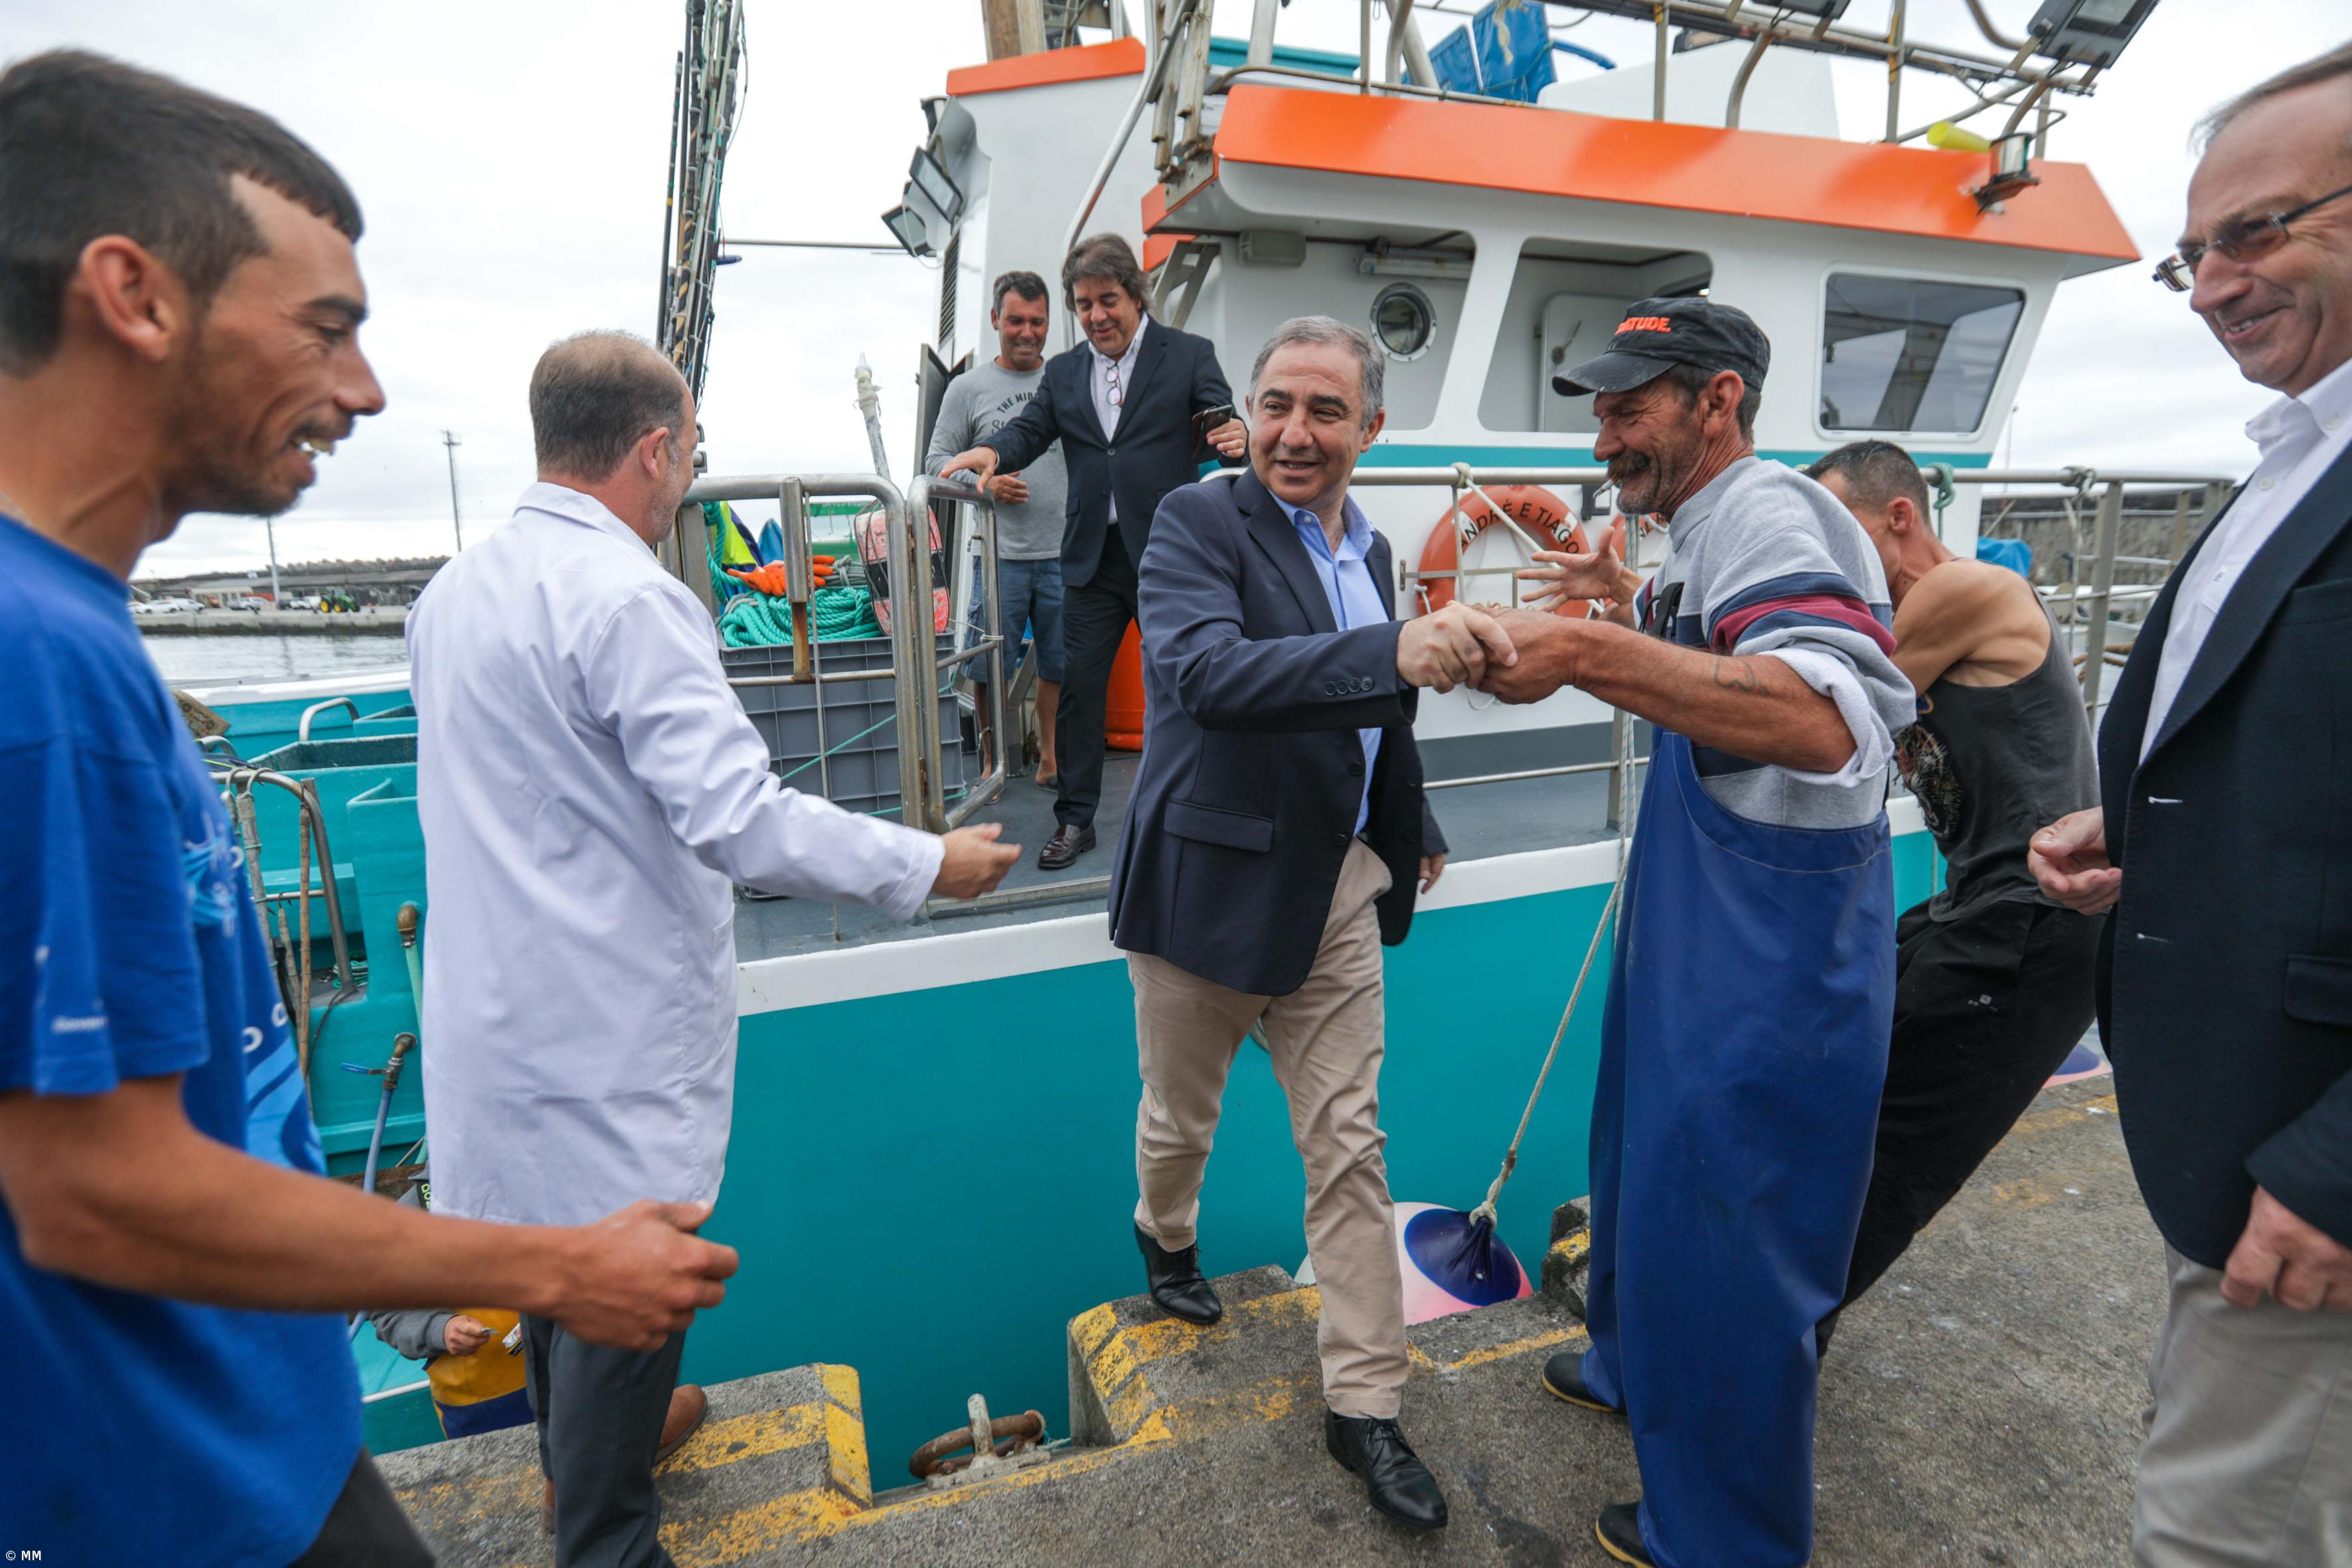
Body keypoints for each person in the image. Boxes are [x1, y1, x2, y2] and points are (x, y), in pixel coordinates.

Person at [0, 52, 740, 1568]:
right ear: (134, 295)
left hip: (249, 1443)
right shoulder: (43, 670)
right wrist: (553, 1261)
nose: (367, 389)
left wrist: (395, 1276)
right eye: (328, 327)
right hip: (170, 1489)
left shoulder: (76, 633)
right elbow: (91, 1189)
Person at [408, 331, 1020, 1568]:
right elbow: (739, 818)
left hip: (493, 1022)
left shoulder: (450, 593)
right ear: (652, 448)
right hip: (605, 1034)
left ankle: (587, 1450)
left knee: (542, 1262)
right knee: (624, 1277)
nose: (689, 472)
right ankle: (601, 1513)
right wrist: (926, 861)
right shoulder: (635, 598)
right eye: (690, 450)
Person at [1486, 298, 1913, 1568]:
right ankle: (1629, 1365)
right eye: (1600, 405)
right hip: (1694, 913)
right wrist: (1622, 614)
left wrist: (1573, 650)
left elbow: (1821, 719)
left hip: (1768, 940)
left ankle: (1723, 1536)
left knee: (1731, 1223)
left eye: (1631, 405)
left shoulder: (1772, 516)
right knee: (1638, 1161)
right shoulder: (1695, 531)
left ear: (1717, 400)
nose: (1605, 430)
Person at [1112, 315, 1518, 1531]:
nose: (1294, 432)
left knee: (1349, 1148)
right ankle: (1163, 1236)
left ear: (1369, 429)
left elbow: (1376, 715)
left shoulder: (1374, 548)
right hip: (1204, 888)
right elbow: (1205, 677)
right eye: (1276, 404)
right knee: (1178, 1117)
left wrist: (1414, 823)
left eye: (1324, 411)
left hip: (1336, 885)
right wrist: (1390, 646)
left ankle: (1365, 1407)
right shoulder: (1196, 521)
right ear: (1248, 411)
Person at [2029, 45, 2352, 1567]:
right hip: (2238, 1135)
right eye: (2193, 253)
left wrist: (2336, 1167)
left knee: (2214, 1531)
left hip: (2309, 1169)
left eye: (2261, 230)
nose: (2215, 284)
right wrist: (2146, 832)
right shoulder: (2297, 454)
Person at [1803, 439, 2102, 1339]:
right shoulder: (1901, 610)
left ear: (1899, 517)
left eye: (1838, 532)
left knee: (1887, 1153)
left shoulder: (1961, 591)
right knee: (1829, 1091)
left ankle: (1754, 1377)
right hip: (1979, 905)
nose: (1825, 561)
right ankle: (1750, 1342)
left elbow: (1821, 712)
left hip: (2037, 921)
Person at [941, 233, 1247, 870]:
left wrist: (1236, 432)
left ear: (1136, 296)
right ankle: (1076, 821)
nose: (1097, 315)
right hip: (1088, 556)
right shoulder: (1064, 371)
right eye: (1083, 305)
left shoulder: (1188, 354)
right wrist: (992, 453)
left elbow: (1219, 419)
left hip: (1169, 553)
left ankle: (1209, 802)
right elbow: (1030, 429)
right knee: (1081, 690)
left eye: (1108, 300)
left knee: (1186, 680)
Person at [926, 269, 1068, 786]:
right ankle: (991, 764)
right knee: (989, 667)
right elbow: (935, 463)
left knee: (1060, 663)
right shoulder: (968, 389)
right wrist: (985, 486)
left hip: (1065, 555)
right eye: (1015, 321)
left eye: (1037, 322)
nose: (1027, 332)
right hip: (999, 557)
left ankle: (1050, 757)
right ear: (995, 321)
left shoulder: (1067, 381)